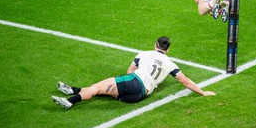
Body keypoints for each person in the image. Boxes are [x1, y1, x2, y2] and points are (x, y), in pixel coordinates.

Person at [52, 36, 216, 109]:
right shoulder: (170, 63)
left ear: (155, 45)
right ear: (168, 50)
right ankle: (72, 89)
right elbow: (185, 81)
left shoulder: (143, 54)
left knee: (96, 87)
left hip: (134, 82)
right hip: (140, 95)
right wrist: (202, 92)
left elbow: (129, 71)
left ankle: (70, 101)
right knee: (100, 90)